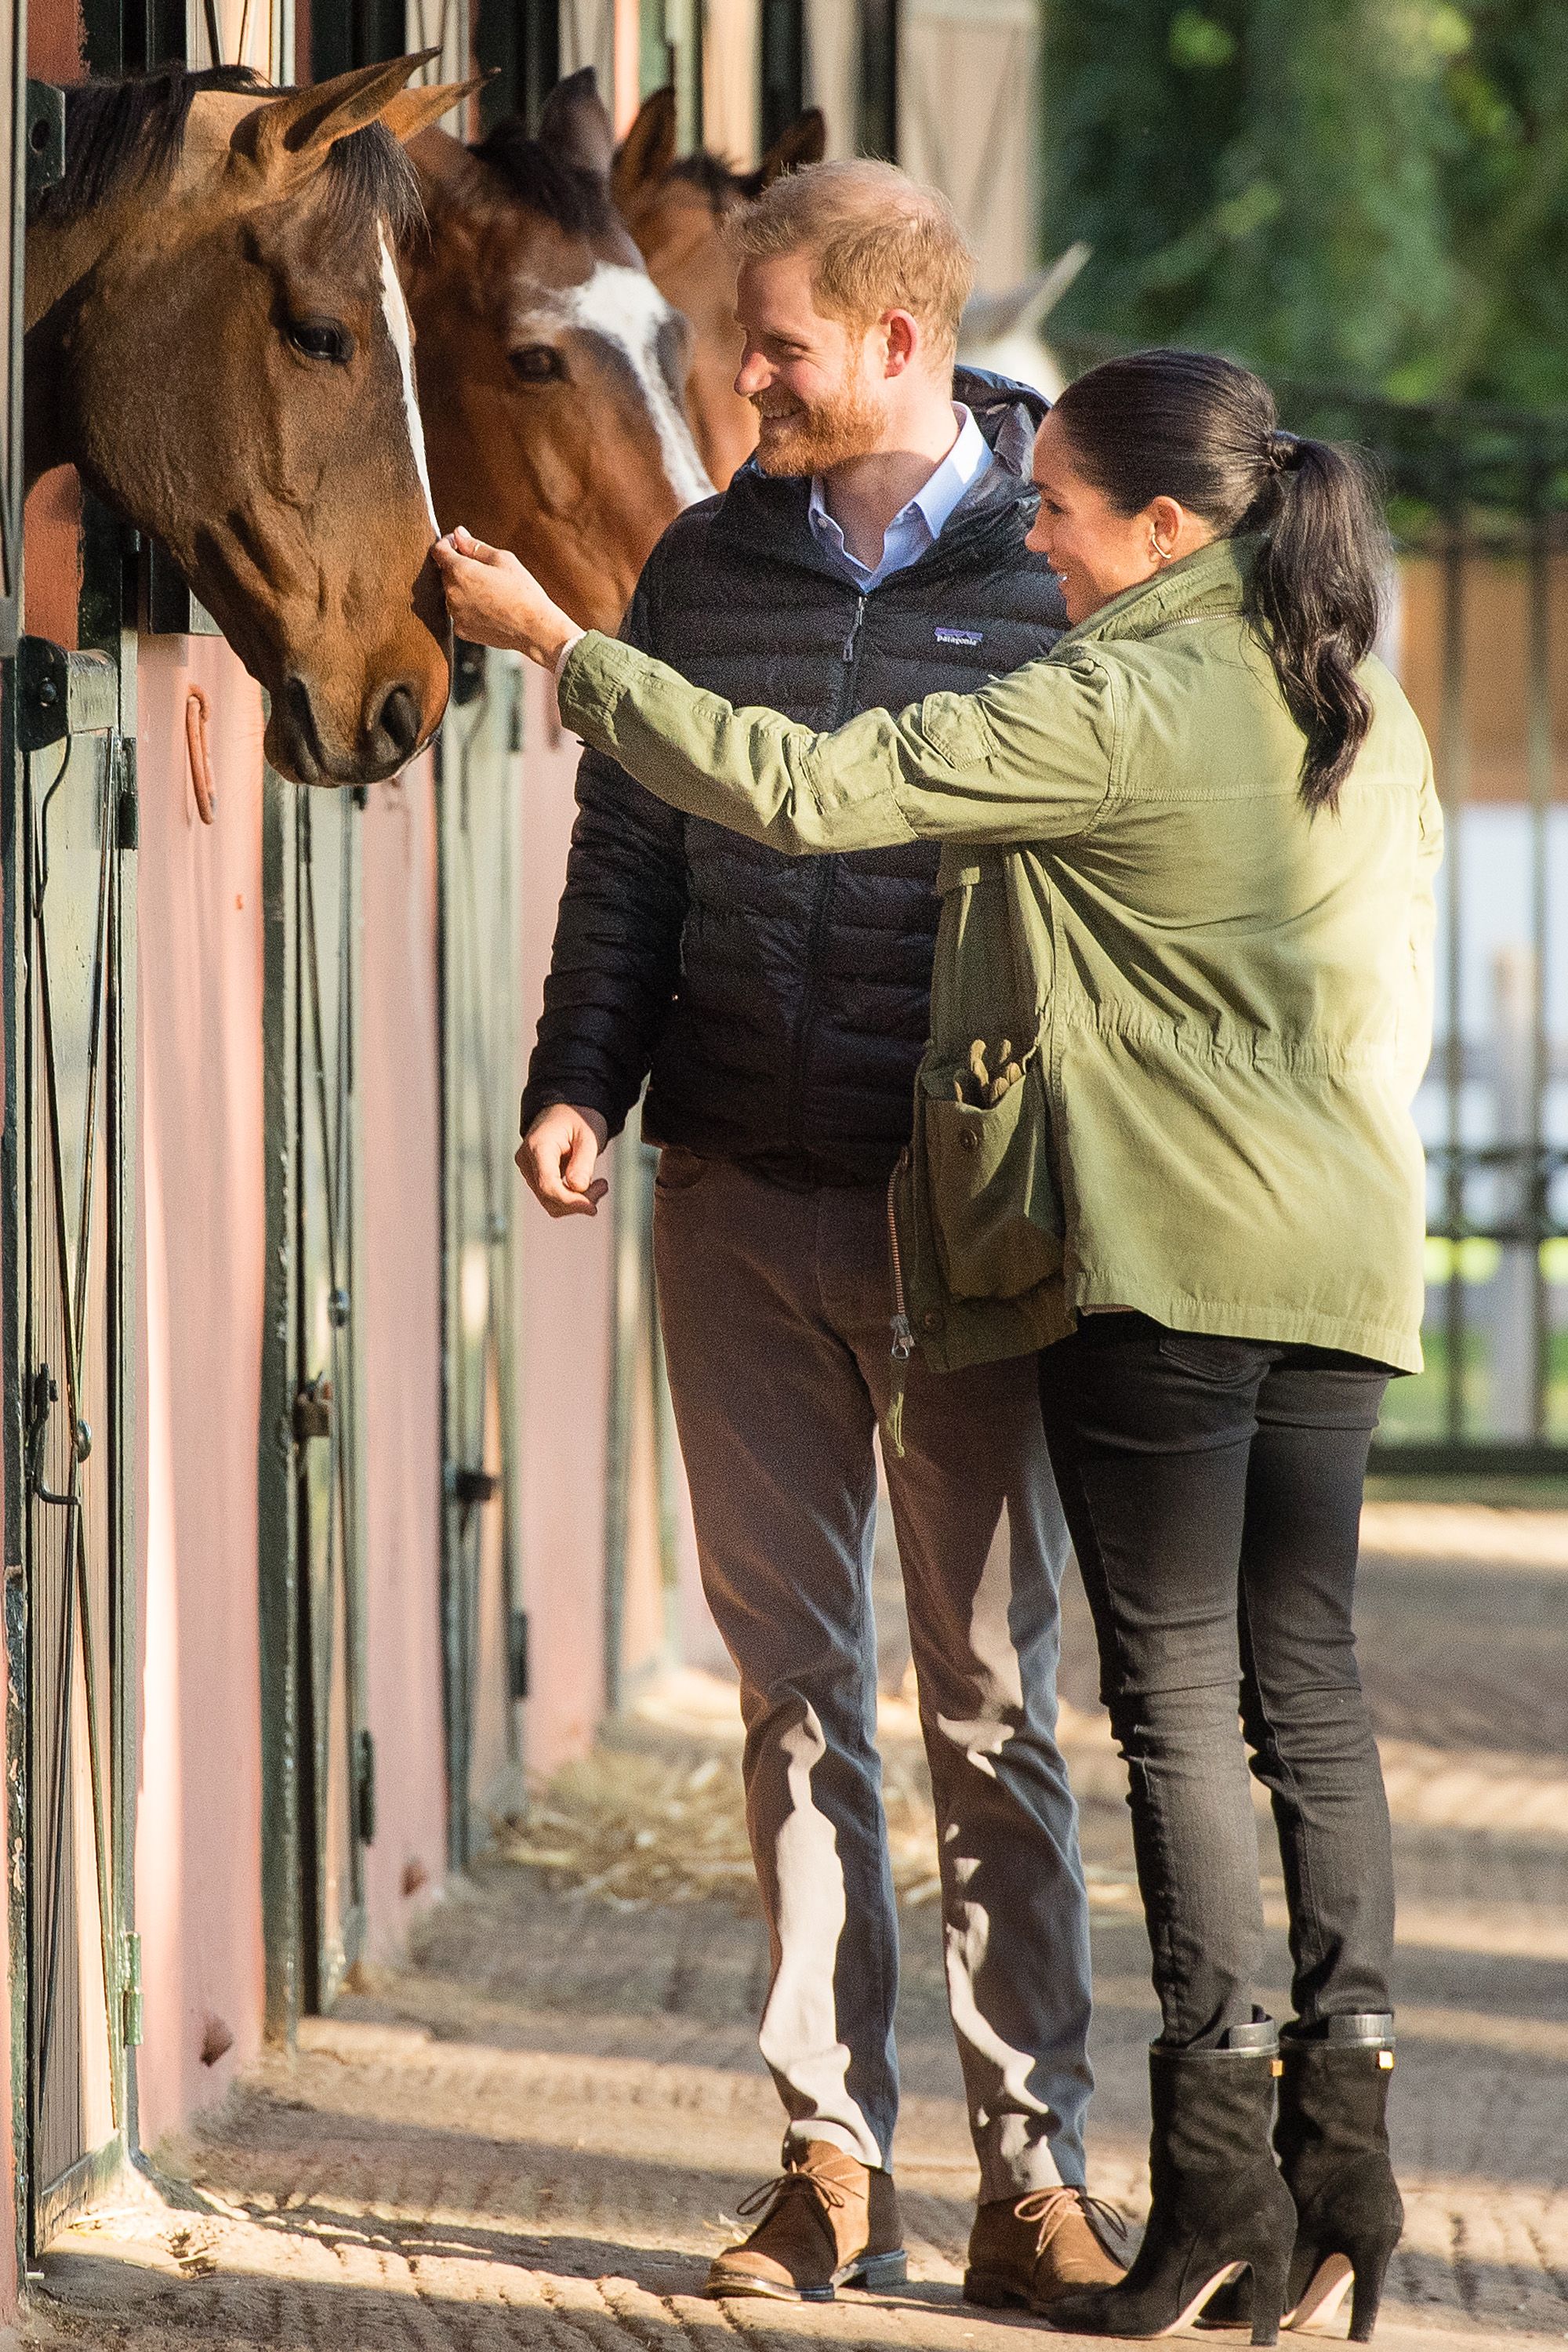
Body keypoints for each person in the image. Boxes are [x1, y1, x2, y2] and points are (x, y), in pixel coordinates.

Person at [434, 342, 1439, 2347]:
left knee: (1159, 1714)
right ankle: (1351, 2161)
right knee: (1305, 1699)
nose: (1036, 533)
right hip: (1344, 1259)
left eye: (1061, 507)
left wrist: (564, 644)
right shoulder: (1363, 696)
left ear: (1168, 528)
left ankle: (1220, 2188)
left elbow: (809, 792)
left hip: (1161, 1267)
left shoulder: (1120, 690)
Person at [495, 162, 1123, 2310]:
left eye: (766, 340)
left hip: (964, 1236)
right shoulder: (704, 557)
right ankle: (825, 2165)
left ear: (893, 339)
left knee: (988, 1701)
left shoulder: (1068, 566)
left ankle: (1033, 2171)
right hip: (735, 1198)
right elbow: (631, 857)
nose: (729, 373)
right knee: (790, 1703)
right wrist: (579, 1080)